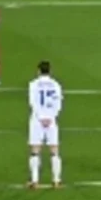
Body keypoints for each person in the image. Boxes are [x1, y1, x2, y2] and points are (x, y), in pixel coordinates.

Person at [28, 60, 63, 188]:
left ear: (38, 71)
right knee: (54, 150)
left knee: (35, 150)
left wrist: (41, 117)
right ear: (50, 71)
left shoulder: (33, 84)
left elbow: (33, 102)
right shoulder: (56, 85)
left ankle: (35, 181)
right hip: (51, 120)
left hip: (37, 120)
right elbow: (58, 104)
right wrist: (50, 117)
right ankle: (56, 180)